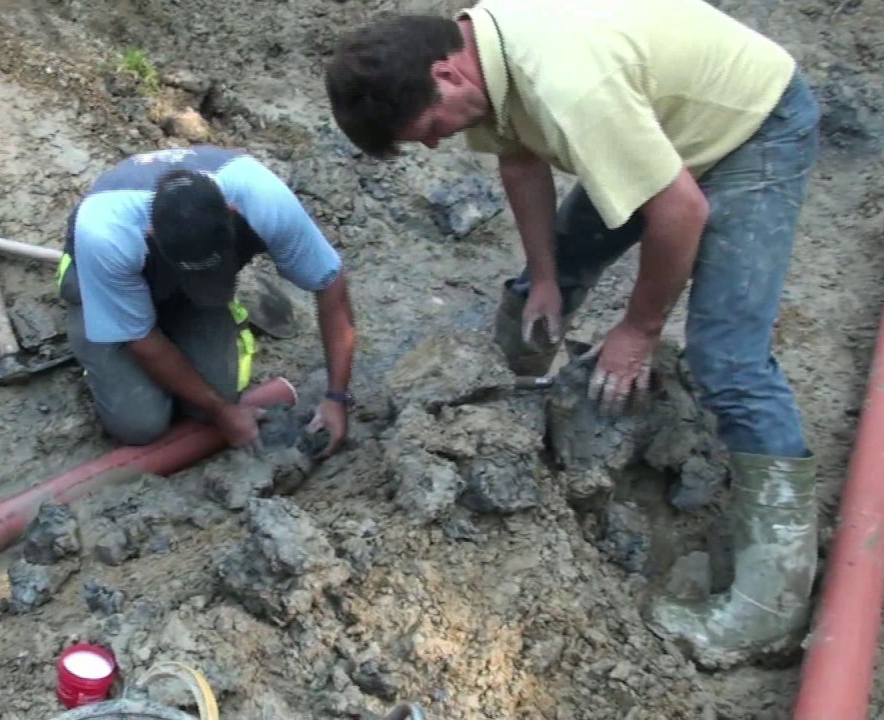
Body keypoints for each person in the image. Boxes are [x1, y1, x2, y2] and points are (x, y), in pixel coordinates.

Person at [323, 0, 820, 668]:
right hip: (652, 123)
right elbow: (520, 160)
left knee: (726, 357)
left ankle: (768, 610)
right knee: (537, 288)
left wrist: (639, 330)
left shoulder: (568, 85)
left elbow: (679, 211)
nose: (436, 143)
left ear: (449, 73)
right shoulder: (483, 57)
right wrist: (548, 276)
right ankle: (505, 417)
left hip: (748, 127)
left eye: (430, 128)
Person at [56, 145, 357, 457]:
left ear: (234, 214)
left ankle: (188, 312)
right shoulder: (106, 233)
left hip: (178, 288)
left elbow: (331, 286)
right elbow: (141, 339)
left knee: (218, 394)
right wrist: (222, 412)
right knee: (139, 425)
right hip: (103, 278)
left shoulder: (264, 201)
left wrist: (337, 397)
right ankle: (98, 326)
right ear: (151, 234)